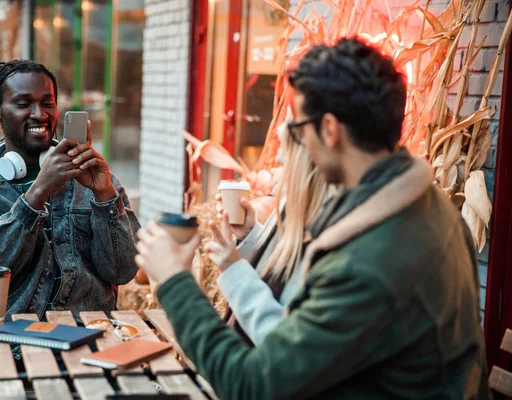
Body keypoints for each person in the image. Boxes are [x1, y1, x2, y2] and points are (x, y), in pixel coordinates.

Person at [135, 38, 490, 399]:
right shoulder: (432, 208)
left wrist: (175, 281)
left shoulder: (367, 263)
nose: (297, 143)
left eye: (299, 128)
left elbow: (254, 385)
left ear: (330, 130)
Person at [0, 60, 140, 398]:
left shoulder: (96, 181)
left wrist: (105, 196)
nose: (39, 113)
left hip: (83, 338)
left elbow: (122, 271)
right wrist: (35, 196)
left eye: (47, 102)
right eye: (23, 103)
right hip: (5, 337)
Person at [212, 109, 328, 345]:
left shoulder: (329, 226)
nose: (278, 129)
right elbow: (279, 273)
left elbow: (285, 342)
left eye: (289, 119)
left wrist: (177, 280)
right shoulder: (294, 202)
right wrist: (251, 236)